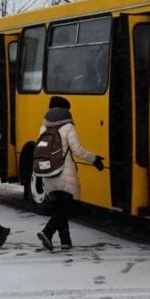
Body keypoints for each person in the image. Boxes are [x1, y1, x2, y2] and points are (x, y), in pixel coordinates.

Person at [36, 96, 104, 251]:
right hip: (64, 172)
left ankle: (65, 241)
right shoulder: (68, 128)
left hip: (48, 172)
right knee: (65, 207)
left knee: (60, 206)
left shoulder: (43, 128)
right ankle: (47, 231)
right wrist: (94, 159)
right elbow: (77, 150)